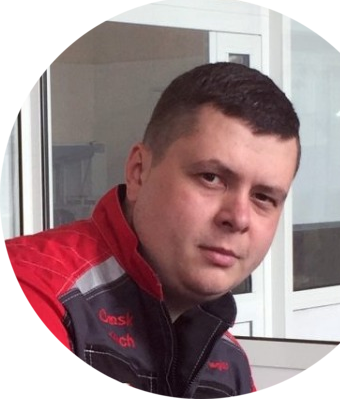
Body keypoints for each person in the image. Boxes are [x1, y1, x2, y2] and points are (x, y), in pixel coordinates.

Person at [6, 62, 300, 397]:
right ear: (138, 172)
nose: (239, 218)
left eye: (263, 197)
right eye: (211, 178)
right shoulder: (37, 290)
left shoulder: (228, 364)